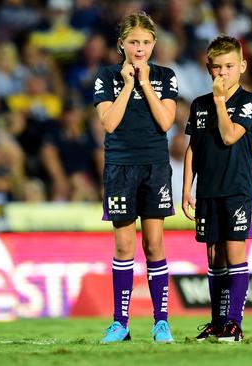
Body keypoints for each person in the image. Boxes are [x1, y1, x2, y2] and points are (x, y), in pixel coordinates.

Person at [93, 12, 178, 343]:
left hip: (154, 166)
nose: (139, 48)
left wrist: (144, 82)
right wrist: (128, 85)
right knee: (124, 245)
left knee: (154, 243)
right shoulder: (107, 76)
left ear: (154, 44)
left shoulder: (165, 76)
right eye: (133, 42)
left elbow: (165, 121)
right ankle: (121, 323)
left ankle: (161, 323)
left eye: (145, 42)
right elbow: (109, 123)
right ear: (121, 45)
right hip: (120, 167)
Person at [182, 35, 252, 342]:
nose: (223, 73)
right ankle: (217, 322)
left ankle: (234, 324)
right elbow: (193, 149)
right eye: (217, 67)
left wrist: (219, 102)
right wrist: (186, 189)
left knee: (234, 253)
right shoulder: (198, 105)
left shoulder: (248, 101)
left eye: (229, 66)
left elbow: (229, 136)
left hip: (237, 190)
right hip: (208, 191)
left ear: (242, 66)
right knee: (214, 257)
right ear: (208, 68)